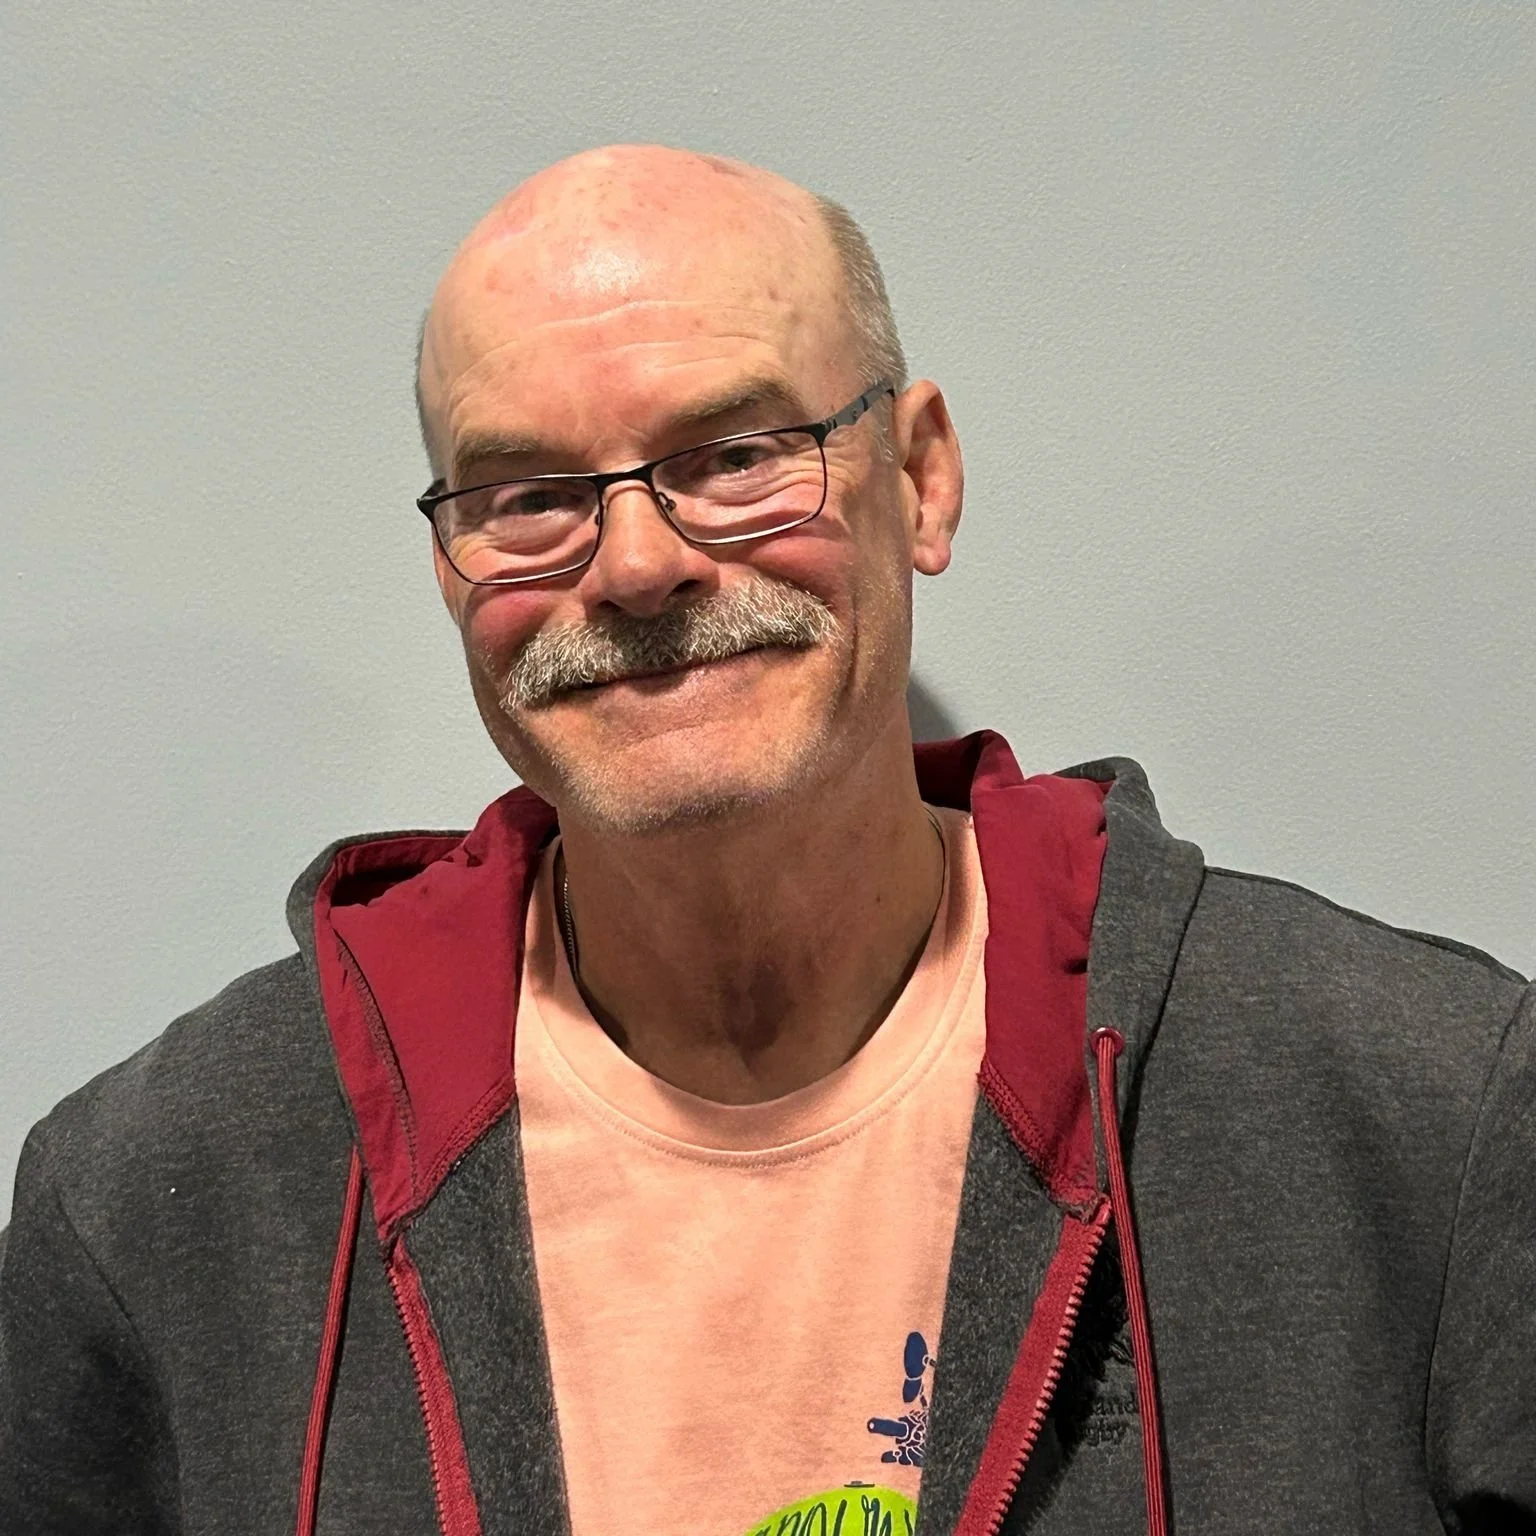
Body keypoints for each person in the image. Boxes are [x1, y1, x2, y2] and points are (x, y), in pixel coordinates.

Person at [1, 144, 1531, 1536]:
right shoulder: (155, 1201)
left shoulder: (1424, 1109)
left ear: (920, 478)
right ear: (449, 564)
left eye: (736, 458)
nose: (642, 564)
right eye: (529, 496)